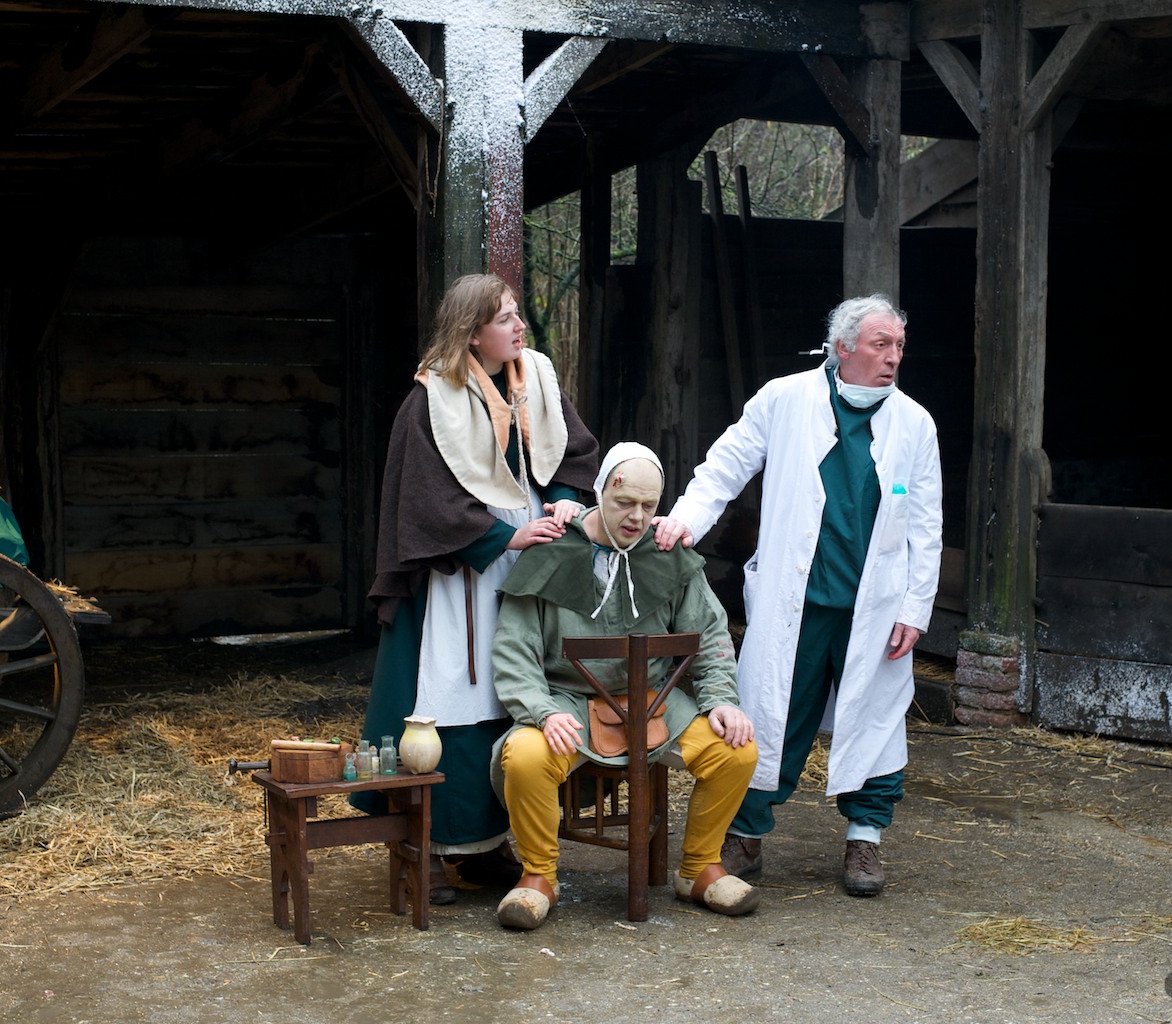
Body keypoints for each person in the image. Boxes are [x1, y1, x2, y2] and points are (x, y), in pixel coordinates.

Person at [652, 294, 942, 898]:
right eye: (881, 345)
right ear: (843, 349)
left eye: (899, 346)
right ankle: (746, 833)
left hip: (875, 608)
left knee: (877, 720)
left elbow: (926, 523)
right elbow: (726, 464)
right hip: (798, 602)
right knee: (769, 714)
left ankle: (865, 837)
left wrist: (916, 607)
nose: (893, 357)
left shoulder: (914, 423)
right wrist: (685, 520)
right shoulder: (784, 400)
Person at [352, 273, 599, 904]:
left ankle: (487, 845)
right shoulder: (430, 399)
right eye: (506, 318)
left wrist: (564, 501)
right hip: (458, 574)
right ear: (471, 333)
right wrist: (501, 538)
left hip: (527, 565)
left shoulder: (534, 378)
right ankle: (425, 845)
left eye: (518, 314)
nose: (520, 327)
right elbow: (423, 500)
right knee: (445, 705)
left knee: (508, 697)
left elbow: (569, 453)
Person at [488, 443, 760, 930]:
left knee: (735, 751)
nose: (636, 517)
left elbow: (711, 635)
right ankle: (539, 876)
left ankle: (699, 869)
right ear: (600, 493)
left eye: (648, 505)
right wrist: (541, 711)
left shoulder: (667, 553)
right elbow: (514, 650)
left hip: (655, 700)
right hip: (570, 701)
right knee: (525, 755)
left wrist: (721, 699)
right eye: (624, 503)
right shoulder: (553, 549)